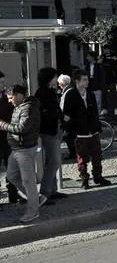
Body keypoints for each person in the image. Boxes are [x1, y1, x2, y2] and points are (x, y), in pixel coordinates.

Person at [0, 84, 43, 222]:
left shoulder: (28, 108)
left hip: (25, 149)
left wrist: (2, 125)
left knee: (28, 181)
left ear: (19, 95)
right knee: (12, 176)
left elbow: (22, 128)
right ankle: (36, 198)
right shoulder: (19, 106)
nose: (9, 100)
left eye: (11, 97)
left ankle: (33, 211)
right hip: (17, 148)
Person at [62, 69, 111, 189]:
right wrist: (70, 130)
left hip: (92, 130)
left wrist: (97, 126)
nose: (87, 82)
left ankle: (98, 176)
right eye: (84, 80)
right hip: (80, 132)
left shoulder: (90, 93)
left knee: (97, 155)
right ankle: (84, 179)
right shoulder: (70, 94)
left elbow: (94, 111)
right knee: (82, 157)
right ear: (77, 81)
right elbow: (66, 114)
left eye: (87, 79)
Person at [34, 67, 65, 201]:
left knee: (51, 160)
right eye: (54, 76)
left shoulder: (49, 92)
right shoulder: (42, 93)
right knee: (54, 161)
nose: (55, 79)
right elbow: (44, 112)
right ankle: (45, 192)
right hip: (48, 130)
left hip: (52, 128)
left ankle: (52, 189)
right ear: (49, 78)